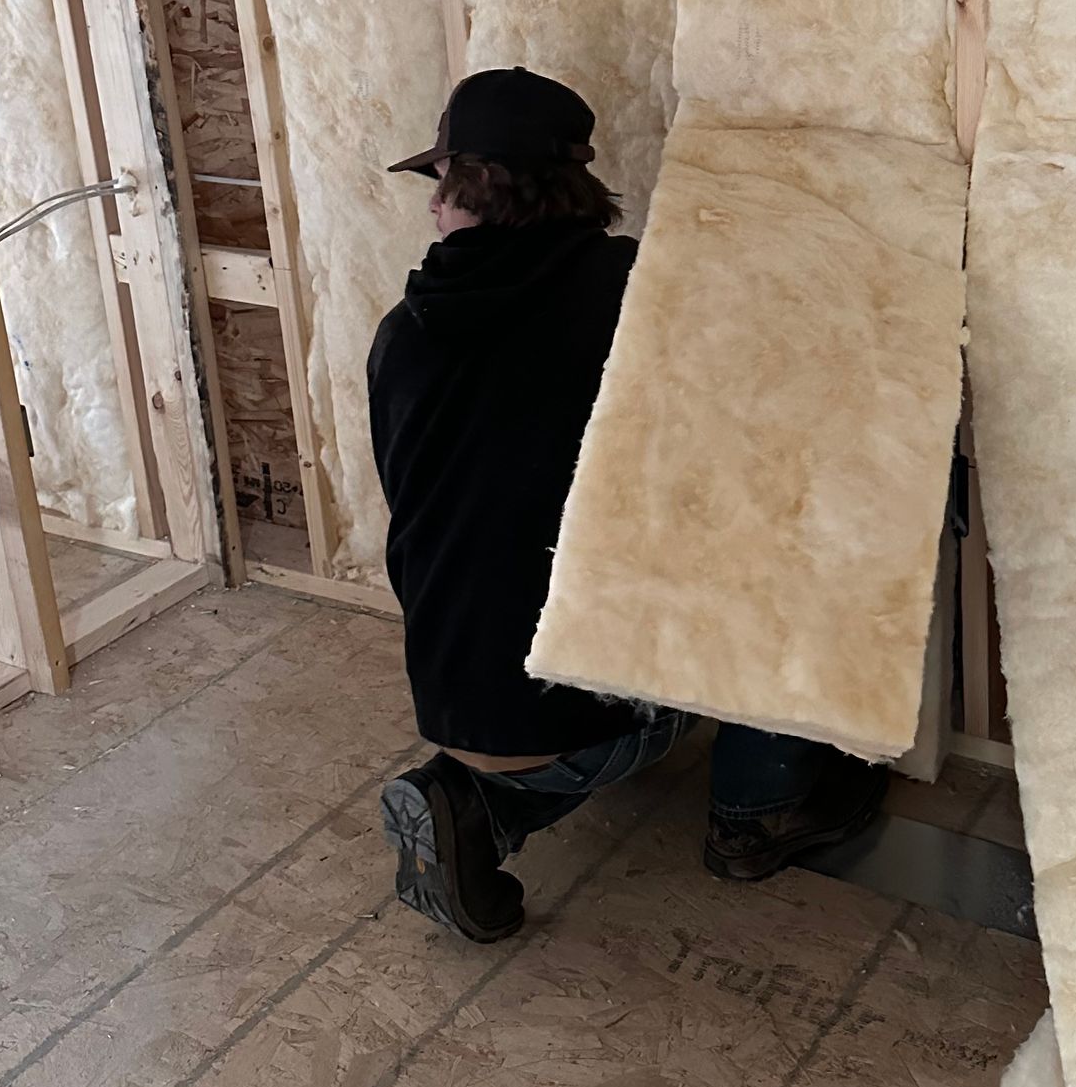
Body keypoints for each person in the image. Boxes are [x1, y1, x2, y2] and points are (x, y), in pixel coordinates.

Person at [368, 66, 887, 942]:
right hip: (590, 708)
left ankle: (484, 803)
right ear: (576, 189)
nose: (430, 208)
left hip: (451, 686)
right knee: (799, 515)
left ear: (464, 194)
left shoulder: (402, 334)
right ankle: (756, 809)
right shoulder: (643, 297)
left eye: (441, 184)